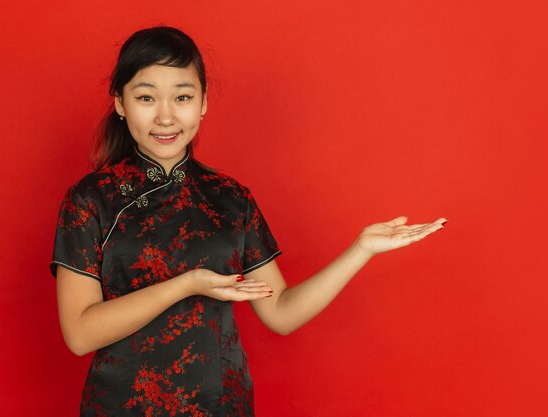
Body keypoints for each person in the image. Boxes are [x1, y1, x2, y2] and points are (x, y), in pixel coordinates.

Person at [50, 26, 447, 417]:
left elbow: (282, 313)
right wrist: (185, 285)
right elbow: (80, 334)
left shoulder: (230, 198)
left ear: (203, 102)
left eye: (183, 97)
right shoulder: (91, 199)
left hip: (223, 405)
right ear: (120, 103)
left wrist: (361, 250)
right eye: (146, 97)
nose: (166, 116)